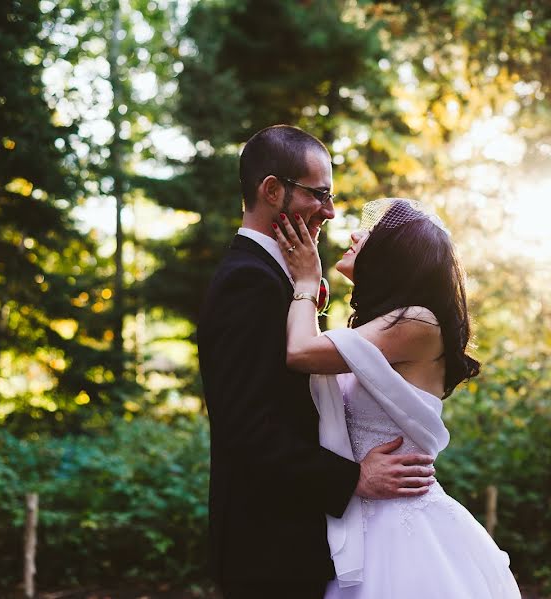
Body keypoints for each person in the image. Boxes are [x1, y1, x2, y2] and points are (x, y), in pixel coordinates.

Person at [197, 126, 438, 599]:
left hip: (301, 539)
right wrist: (353, 478)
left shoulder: (274, 279)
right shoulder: (247, 282)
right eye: (319, 194)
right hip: (268, 545)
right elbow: (244, 427)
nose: (329, 211)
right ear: (272, 190)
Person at [273, 198, 522, 598]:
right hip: (364, 516)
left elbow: (301, 352)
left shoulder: (414, 321)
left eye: (368, 234)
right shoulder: (389, 325)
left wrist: (305, 282)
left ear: (394, 256)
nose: (354, 235)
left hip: (398, 530)